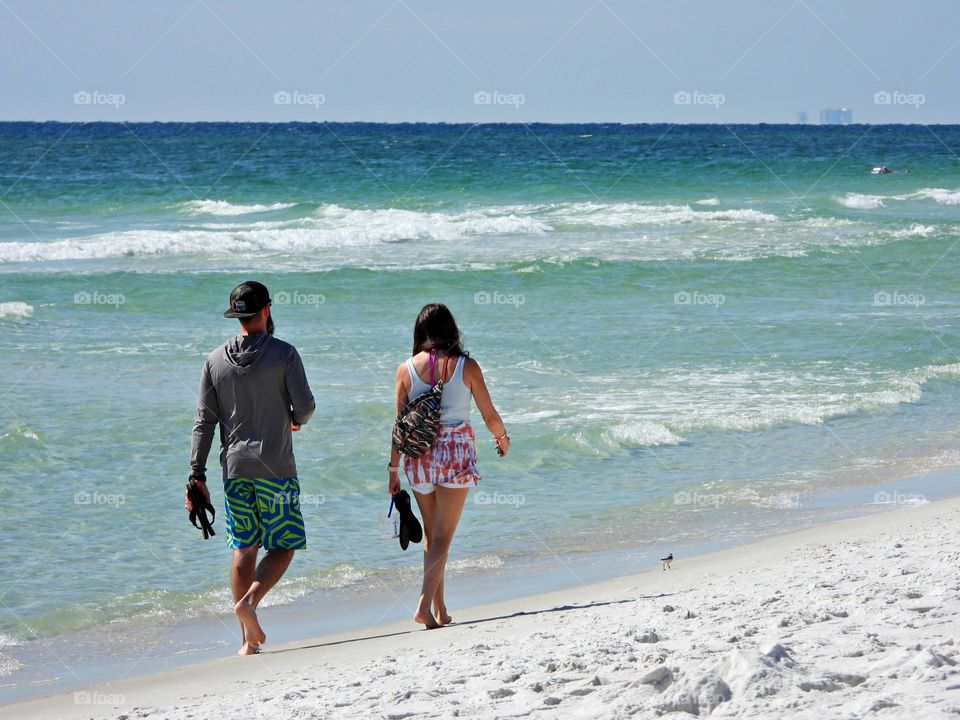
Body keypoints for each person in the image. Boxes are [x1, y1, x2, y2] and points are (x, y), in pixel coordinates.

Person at [185, 281, 315, 655]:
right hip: (276, 465)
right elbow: (304, 407)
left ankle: (246, 641)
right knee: (285, 544)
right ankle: (249, 604)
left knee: (244, 546)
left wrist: (196, 474)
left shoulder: (214, 361)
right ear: (266, 310)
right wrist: (295, 419)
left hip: (235, 468)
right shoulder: (285, 354)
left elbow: (203, 422)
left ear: (237, 316)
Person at [388, 303, 510, 629]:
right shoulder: (465, 366)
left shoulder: (405, 370)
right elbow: (489, 414)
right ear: (451, 330)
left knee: (432, 535)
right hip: (454, 456)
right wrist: (502, 438)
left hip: (418, 459)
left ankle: (440, 611)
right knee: (442, 536)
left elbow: (400, 426)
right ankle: (423, 605)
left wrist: (393, 469)